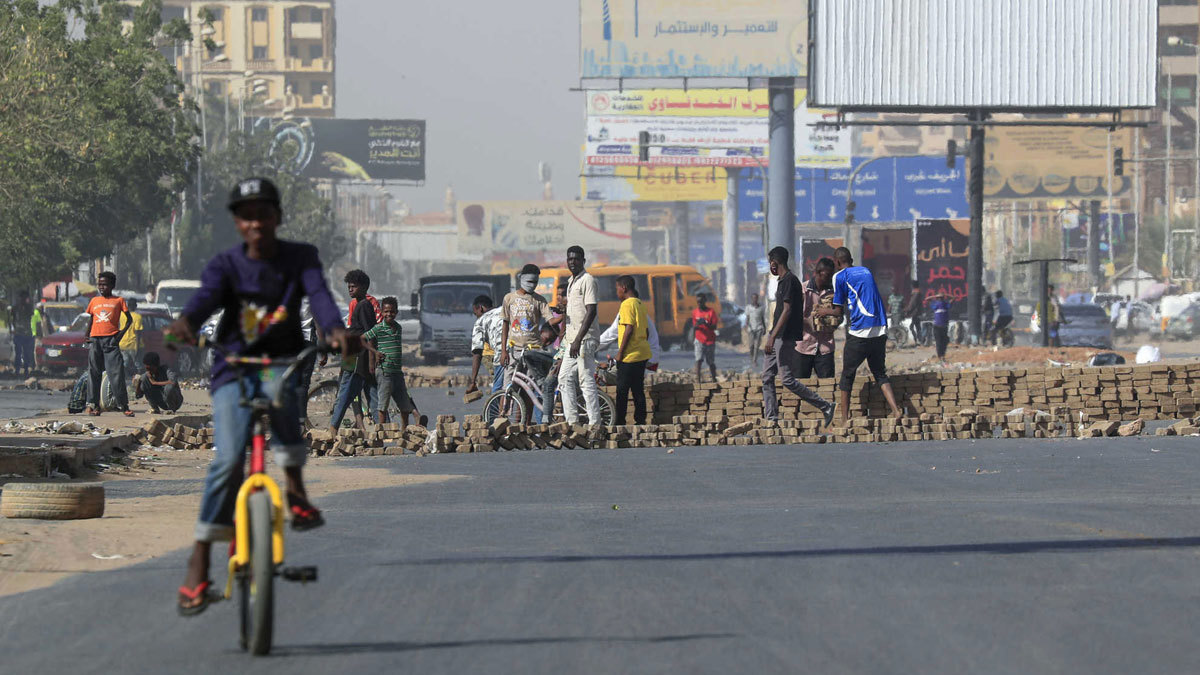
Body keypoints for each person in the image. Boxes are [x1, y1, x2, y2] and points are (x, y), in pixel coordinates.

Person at [165, 176, 354, 616]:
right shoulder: (225, 265)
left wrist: (336, 330)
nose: (256, 223)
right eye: (247, 216)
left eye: (264, 214)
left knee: (287, 402)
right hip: (233, 367)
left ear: (277, 217)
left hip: (282, 361)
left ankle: (294, 487)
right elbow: (203, 302)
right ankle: (199, 558)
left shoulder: (300, 258)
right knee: (228, 461)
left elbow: (322, 300)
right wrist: (185, 324)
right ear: (237, 222)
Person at [813, 247, 905, 421]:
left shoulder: (839, 276)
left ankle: (845, 419)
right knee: (879, 372)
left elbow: (838, 312)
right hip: (879, 329)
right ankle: (896, 410)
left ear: (838, 262)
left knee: (847, 375)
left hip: (860, 332)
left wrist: (824, 311)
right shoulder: (865, 271)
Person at [761, 247, 835, 425]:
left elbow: (786, 311)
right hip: (776, 334)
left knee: (786, 379)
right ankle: (771, 419)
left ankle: (824, 405)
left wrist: (773, 336)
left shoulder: (790, 281)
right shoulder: (783, 281)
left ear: (774, 262)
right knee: (766, 377)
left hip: (783, 337)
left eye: (770, 262)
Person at [328, 269, 378, 435]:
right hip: (352, 354)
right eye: (348, 286)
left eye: (354, 286)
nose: (350, 289)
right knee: (362, 392)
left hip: (358, 355)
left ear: (364, 287)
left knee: (346, 391)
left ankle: (333, 428)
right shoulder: (358, 304)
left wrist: (371, 360)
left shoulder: (364, 306)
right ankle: (382, 427)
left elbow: (370, 333)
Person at [558, 247, 602, 425]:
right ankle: (573, 423)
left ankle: (595, 424)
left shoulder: (587, 280)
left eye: (576, 259)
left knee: (585, 380)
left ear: (583, 261)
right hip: (572, 340)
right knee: (564, 378)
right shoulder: (571, 282)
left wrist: (577, 340)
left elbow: (591, 312)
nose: (572, 262)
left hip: (584, 339)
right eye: (569, 259)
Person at [83, 272, 133, 417]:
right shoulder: (94, 301)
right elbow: (91, 320)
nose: (101, 287)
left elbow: (129, 320)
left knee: (116, 373)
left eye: (104, 284)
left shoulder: (119, 300)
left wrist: (120, 335)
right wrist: (87, 335)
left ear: (112, 285)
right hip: (95, 340)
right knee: (94, 373)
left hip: (111, 341)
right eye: (99, 284)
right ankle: (94, 405)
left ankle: (124, 405)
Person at [362, 297, 416, 428]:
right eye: (386, 311)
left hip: (397, 373)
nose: (389, 314)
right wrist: (374, 352)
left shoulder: (398, 328)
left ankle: (405, 432)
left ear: (396, 312)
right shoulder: (378, 328)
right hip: (384, 372)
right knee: (383, 405)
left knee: (404, 406)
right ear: (381, 311)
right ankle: (381, 431)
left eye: (392, 312)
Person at [500, 263, 550, 388]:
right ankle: (503, 409)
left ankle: (523, 409)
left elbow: (551, 320)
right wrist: (503, 351)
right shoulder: (509, 298)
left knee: (529, 389)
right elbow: (505, 325)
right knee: (508, 387)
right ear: (521, 279)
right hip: (514, 350)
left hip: (533, 350)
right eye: (529, 281)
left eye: (535, 282)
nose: (532, 285)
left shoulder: (540, 300)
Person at [613, 275, 652, 425]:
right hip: (642, 353)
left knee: (622, 390)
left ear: (623, 288)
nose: (617, 292)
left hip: (629, 355)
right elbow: (645, 330)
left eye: (617, 289)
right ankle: (640, 420)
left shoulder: (627, 304)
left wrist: (620, 353)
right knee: (638, 389)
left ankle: (620, 422)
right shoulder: (640, 303)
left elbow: (629, 328)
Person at [797, 257, 837, 379]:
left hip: (825, 348)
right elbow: (793, 316)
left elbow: (839, 314)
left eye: (832, 275)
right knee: (800, 386)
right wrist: (810, 322)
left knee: (828, 387)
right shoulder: (803, 290)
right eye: (828, 275)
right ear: (818, 273)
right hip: (803, 346)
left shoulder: (833, 292)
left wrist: (832, 322)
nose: (830, 278)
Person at [467, 295, 505, 396]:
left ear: (480, 308)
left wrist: (473, 382)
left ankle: (494, 411)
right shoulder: (504, 309)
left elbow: (477, 353)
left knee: (498, 388)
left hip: (503, 355)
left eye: (476, 313)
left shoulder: (480, 322)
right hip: (522, 348)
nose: (477, 316)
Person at [7, 290, 35, 376]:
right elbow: (11, 320)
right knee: (18, 353)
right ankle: (17, 369)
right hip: (18, 333)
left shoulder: (29, 307)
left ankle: (26, 369)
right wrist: (12, 329)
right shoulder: (15, 308)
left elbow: (31, 316)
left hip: (27, 333)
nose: (23, 299)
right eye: (22, 297)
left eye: (25, 298)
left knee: (26, 353)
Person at [692, 293, 719, 382]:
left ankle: (714, 378)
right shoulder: (695, 312)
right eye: (698, 302)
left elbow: (714, 327)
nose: (699, 304)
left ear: (705, 301)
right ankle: (698, 380)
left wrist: (706, 323)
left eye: (701, 302)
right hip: (699, 339)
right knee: (698, 360)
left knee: (710, 361)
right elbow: (694, 327)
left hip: (710, 340)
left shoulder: (711, 312)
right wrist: (698, 323)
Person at [119, 298, 144, 375]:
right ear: (135, 306)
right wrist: (137, 347)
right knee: (138, 365)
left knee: (124, 363)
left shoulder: (122, 315)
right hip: (133, 345)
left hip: (122, 344)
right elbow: (137, 332)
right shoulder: (137, 317)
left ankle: (122, 378)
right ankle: (139, 381)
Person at [744, 292, 766, 369]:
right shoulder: (748, 307)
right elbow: (747, 318)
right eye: (753, 298)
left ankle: (754, 360)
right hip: (751, 329)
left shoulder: (761, 308)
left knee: (757, 345)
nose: (755, 299)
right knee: (751, 346)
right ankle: (751, 357)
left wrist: (764, 328)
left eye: (756, 298)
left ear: (757, 299)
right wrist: (746, 326)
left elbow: (762, 318)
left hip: (759, 328)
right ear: (752, 299)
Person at [931, 292, 952, 361]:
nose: (940, 299)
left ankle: (942, 355)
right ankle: (940, 356)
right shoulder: (935, 305)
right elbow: (927, 299)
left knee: (944, 341)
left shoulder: (946, 304)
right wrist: (935, 295)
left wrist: (945, 294)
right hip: (937, 326)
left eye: (941, 298)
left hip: (944, 326)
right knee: (939, 342)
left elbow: (953, 298)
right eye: (939, 298)